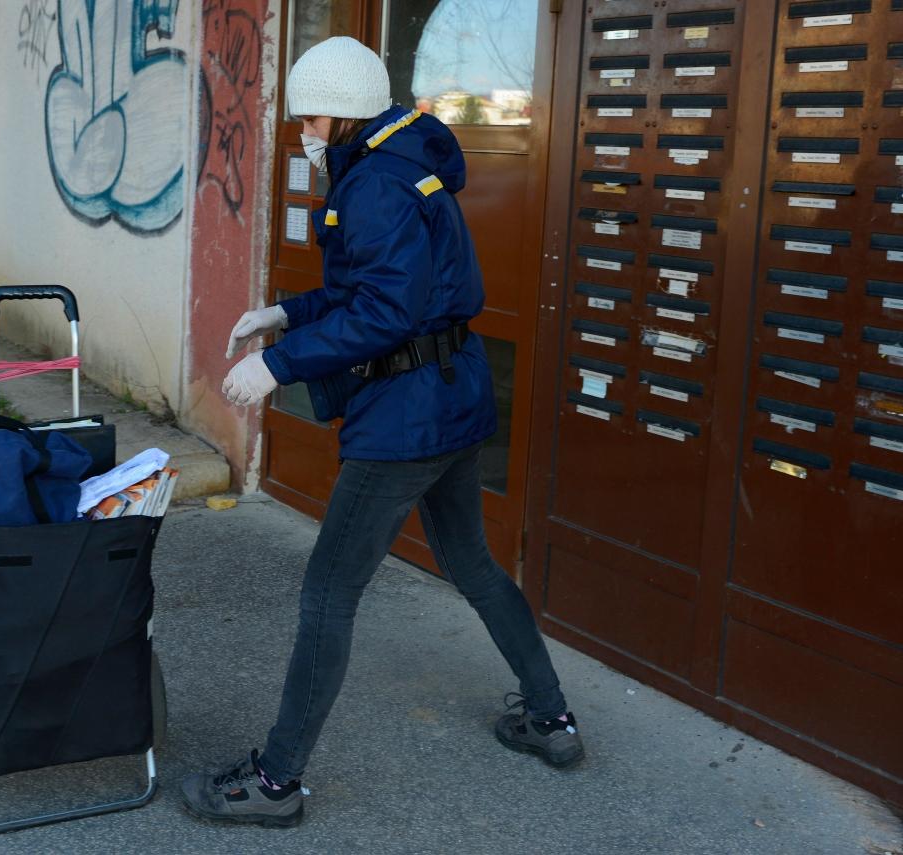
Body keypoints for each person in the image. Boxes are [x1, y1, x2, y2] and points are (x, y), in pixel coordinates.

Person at [181, 36, 583, 828]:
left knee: (329, 591)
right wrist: (284, 311)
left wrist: (279, 363)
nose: (304, 133)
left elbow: (384, 313)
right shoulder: (405, 163)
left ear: (342, 114)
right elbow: (379, 289)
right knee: (472, 562)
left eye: (309, 119)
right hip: (453, 397)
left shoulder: (372, 186)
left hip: (405, 419)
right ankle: (551, 715)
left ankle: (276, 782)